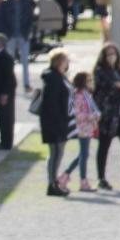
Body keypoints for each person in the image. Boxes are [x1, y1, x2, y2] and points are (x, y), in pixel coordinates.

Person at [92, 43, 120, 189]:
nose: (112, 57)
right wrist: (117, 85)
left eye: (114, 54)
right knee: (104, 146)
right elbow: (105, 85)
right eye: (108, 54)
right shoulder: (100, 71)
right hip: (108, 115)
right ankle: (101, 178)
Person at [38, 50, 74, 198]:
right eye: (65, 60)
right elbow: (51, 103)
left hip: (61, 120)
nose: (67, 63)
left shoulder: (60, 76)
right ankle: (52, 184)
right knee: (55, 153)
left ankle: (54, 182)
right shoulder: (53, 78)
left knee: (58, 153)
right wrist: (59, 121)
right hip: (54, 122)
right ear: (59, 61)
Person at [63, 67, 100, 193]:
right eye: (88, 80)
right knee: (84, 154)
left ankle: (66, 176)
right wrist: (92, 116)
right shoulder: (78, 95)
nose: (91, 82)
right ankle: (81, 180)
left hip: (87, 127)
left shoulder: (86, 94)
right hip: (82, 127)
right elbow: (76, 113)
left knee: (83, 154)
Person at [0, 0, 35, 75]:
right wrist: (5, 33)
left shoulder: (26, 1)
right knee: (10, 61)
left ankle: (26, 84)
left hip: (23, 34)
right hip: (10, 35)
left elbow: (31, 19)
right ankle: (10, 84)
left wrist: (28, 31)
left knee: (25, 61)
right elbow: (0, 18)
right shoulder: (5, 1)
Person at [0, 32, 18, 151]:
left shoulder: (5, 57)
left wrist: (4, 94)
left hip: (5, 93)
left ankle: (6, 142)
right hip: (0, 92)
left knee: (6, 117)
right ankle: (3, 140)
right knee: (2, 116)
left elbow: (8, 78)